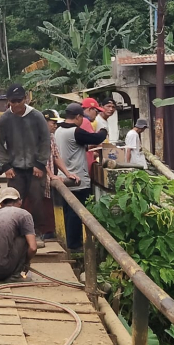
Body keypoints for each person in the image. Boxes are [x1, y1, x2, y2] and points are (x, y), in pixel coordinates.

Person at [0, 83, 51, 243]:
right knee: (12, 202)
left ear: (25, 99)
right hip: (15, 168)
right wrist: (6, 166)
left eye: (19, 100)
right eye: (13, 101)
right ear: (8, 101)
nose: (17, 104)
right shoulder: (4, 119)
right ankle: (13, 233)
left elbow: (45, 140)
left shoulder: (37, 116)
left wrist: (40, 164)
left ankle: (37, 233)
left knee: (37, 201)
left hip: (35, 168)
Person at [55, 103, 108, 251]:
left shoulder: (58, 130)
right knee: (76, 213)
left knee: (68, 211)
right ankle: (75, 245)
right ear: (78, 117)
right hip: (77, 178)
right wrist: (104, 128)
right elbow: (97, 138)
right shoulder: (75, 131)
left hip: (64, 177)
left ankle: (69, 242)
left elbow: (75, 147)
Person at [39, 109, 80, 240]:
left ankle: (49, 232)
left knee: (49, 204)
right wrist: (50, 174)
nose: (55, 125)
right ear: (44, 122)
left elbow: (56, 156)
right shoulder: (36, 136)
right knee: (37, 204)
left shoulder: (51, 136)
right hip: (38, 177)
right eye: (53, 122)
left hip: (49, 177)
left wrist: (67, 173)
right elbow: (39, 158)